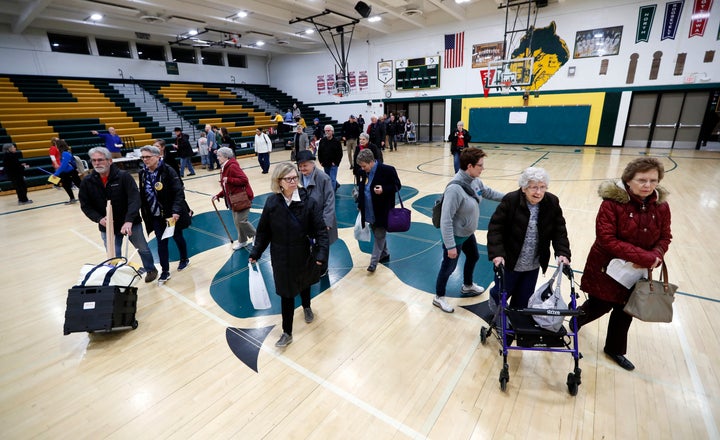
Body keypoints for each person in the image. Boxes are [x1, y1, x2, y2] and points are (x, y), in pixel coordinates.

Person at [578, 157, 671, 371]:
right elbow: (606, 239)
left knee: (625, 311)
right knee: (598, 306)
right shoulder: (612, 204)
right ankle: (571, 325)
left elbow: (665, 236)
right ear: (628, 180)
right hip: (607, 269)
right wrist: (645, 258)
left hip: (637, 273)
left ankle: (615, 349)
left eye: (653, 180)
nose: (648, 185)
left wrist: (657, 254)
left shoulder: (661, 206)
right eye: (642, 180)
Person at [248, 162, 329, 348]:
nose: (294, 181)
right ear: (279, 181)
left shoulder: (309, 202)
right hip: (280, 256)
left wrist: (321, 255)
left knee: (304, 283)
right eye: (289, 178)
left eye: (295, 177)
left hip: (302, 253)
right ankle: (287, 332)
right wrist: (256, 252)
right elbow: (263, 232)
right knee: (286, 293)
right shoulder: (272, 203)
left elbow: (321, 232)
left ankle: (307, 306)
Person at [487, 167, 571, 311]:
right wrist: (497, 254)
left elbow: (559, 231)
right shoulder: (511, 200)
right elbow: (496, 229)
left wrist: (562, 252)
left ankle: (514, 320)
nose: (538, 192)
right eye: (534, 187)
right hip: (509, 262)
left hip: (533, 264)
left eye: (542, 187)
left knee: (523, 298)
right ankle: (496, 314)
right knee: (501, 293)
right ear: (524, 188)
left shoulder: (551, 202)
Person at [433, 148, 505, 313]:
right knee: (448, 267)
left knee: (473, 256)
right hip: (455, 237)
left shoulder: (475, 180)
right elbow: (446, 219)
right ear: (470, 166)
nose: (483, 168)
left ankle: (467, 285)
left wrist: (510, 196)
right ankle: (439, 296)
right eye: (480, 165)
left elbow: (488, 192)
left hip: (467, 234)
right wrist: (450, 246)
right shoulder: (454, 189)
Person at [78, 147, 158, 282]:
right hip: (107, 227)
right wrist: (99, 219)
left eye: (100, 160)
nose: (97, 163)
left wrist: (129, 220)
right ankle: (118, 277)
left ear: (109, 161)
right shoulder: (87, 181)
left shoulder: (123, 176)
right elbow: (86, 205)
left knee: (143, 248)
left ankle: (150, 269)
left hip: (131, 223)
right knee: (114, 256)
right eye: (94, 160)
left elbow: (134, 199)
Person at [138, 145, 192, 285]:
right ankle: (165, 271)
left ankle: (184, 259)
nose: (145, 160)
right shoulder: (142, 173)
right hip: (155, 215)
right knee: (161, 243)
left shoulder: (168, 170)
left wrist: (175, 211)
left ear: (157, 156)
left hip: (170, 215)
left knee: (177, 237)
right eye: (143, 157)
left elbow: (178, 193)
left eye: (148, 157)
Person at [355, 148, 401, 272]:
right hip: (368, 209)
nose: (362, 168)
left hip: (382, 210)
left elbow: (397, 185)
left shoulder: (387, 170)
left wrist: (384, 189)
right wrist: (360, 203)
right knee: (376, 232)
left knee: (380, 235)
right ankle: (385, 252)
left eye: (364, 166)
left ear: (371, 162)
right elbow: (361, 188)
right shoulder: (362, 172)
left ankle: (373, 262)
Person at [212, 147, 256, 250]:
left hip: (242, 198)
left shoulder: (232, 167)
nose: (217, 158)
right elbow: (226, 187)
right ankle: (243, 241)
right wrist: (219, 195)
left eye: (219, 156)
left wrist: (229, 179)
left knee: (241, 221)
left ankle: (256, 236)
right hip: (234, 200)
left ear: (226, 156)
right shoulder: (224, 167)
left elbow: (244, 180)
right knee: (237, 222)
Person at [297, 150, 338, 249]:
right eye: (300, 166)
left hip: (321, 221)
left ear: (312, 164)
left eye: (305, 165)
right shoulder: (297, 177)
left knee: (321, 250)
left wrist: (327, 222)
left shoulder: (323, 178)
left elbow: (329, 201)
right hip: (306, 221)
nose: (302, 169)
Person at [52, 139, 82, 204]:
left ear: (59, 146)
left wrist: (56, 173)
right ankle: (72, 199)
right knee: (66, 186)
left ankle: (90, 197)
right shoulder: (61, 153)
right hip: (65, 173)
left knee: (79, 185)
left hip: (71, 172)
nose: (55, 147)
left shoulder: (65, 153)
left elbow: (64, 165)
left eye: (56, 145)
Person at [317, 125, 343, 191]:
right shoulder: (322, 141)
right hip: (325, 163)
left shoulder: (336, 141)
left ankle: (331, 193)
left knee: (332, 179)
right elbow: (319, 152)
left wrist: (336, 162)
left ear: (332, 132)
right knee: (328, 178)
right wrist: (321, 161)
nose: (327, 132)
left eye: (328, 131)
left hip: (333, 164)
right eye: (326, 131)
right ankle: (336, 185)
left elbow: (340, 153)